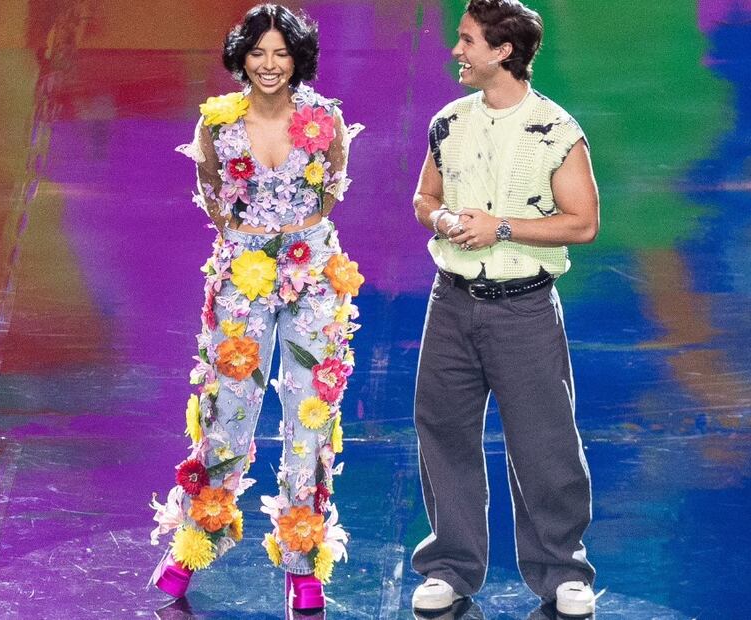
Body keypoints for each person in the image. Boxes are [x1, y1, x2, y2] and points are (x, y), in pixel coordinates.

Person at [147, 4, 364, 612]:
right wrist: (254, 250)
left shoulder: (325, 118)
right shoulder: (217, 124)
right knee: (225, 415)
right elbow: (215, 202)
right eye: (259, 53)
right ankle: (194, 542)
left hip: (315, 280)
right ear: (241, 57)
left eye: (282, 54)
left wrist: (293, 247)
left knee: (311, 418)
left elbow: (331, 195)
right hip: (241, 281)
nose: (270, 66)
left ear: (298, 60)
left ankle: (304, 562)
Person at [410, 1, 599, 617]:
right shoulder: (449, 121)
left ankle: (562, 570)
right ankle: (450, 566)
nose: (457, 51)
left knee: (544, 442)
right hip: (452, 304)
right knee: (442, 431)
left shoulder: (557, 128)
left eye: (467, 41)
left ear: (503, 52)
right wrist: (441, 218)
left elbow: (584, 222)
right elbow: (425, 196)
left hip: (524, 309)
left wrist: (502, 228)